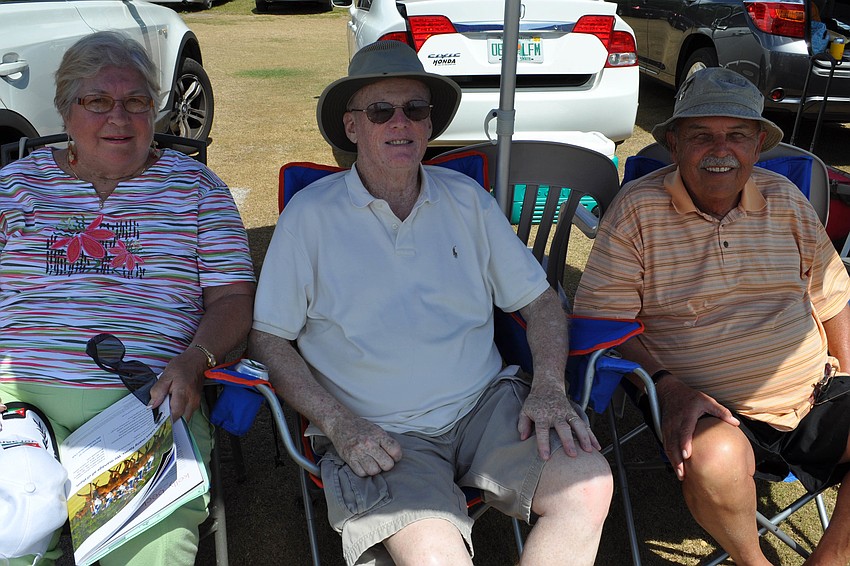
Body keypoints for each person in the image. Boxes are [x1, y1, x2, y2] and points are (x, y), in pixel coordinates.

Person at [249, 40, 613, 566]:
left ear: (430, 124)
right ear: (352, 128)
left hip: (487, 409)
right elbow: (268, 337)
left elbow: (540, 303)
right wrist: (338, 423)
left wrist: (550, 389)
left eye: (415, 109)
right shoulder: (309, 217)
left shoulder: (467, 199)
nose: (401, 123)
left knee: (587, 485)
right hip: (379, 430)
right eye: (381, 111)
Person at [573, 67, 850, 565]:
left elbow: (832, 296)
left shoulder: (786, 200)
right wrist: (668, 386)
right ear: (675, 145)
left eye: (737, 135)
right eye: (702, 136)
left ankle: (828, 559)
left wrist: (848, 375)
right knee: (715, 458)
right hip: (712, 410)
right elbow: (605, 323)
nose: (720, 150)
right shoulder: (637, 210)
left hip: (813, 391)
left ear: (759, 143)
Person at [0, 31, 255, 565]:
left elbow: (233, 298)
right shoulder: (14, 187)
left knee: (151, 553)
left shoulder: (198, 190)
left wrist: (195, 360)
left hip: (146, 405)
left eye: (136, 102)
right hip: (17, 404)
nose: (119, 117)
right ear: (66, 111)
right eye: (97, 102)